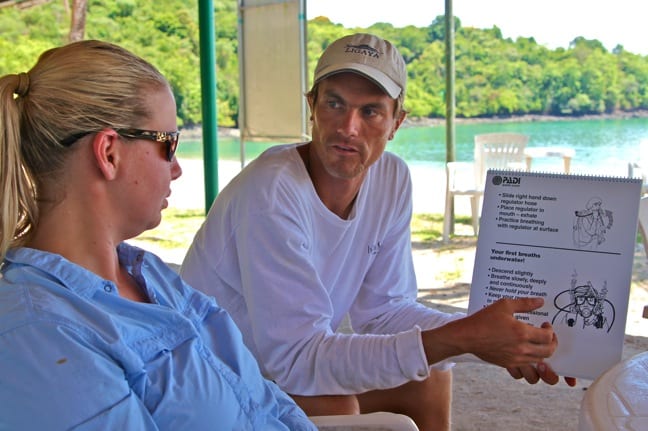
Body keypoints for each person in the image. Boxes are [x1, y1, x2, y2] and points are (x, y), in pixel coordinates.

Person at [181, 33, 575, 431]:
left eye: (370, 111)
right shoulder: (271, 191)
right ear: (312, 108)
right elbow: (301, 359)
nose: (349, 127)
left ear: (396, 123)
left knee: (429, 375)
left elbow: (386, 312)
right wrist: (468, 338)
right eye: (335, 103)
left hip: (274, 364)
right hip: (206, 378)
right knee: (336, 405)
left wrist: (500, 339)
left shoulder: (392, 178)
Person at [0, 40, 316, 430]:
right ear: (109, 153)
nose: (177, 169)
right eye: (168, 144)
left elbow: (268, 403)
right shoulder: (40, 336)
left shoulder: (150, 275)